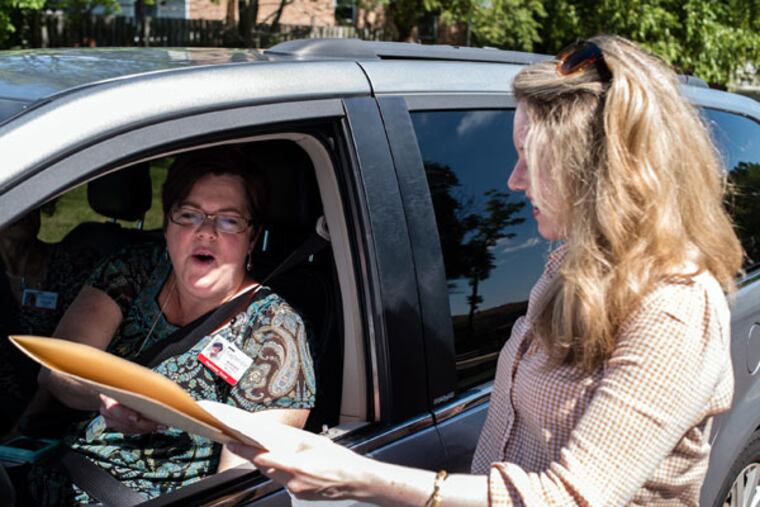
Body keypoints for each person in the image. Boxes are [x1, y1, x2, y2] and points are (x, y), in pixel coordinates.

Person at [228, 35, 744, 506]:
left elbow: (572, 499)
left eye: (529, 157)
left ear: (601, 174)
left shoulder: (673, 306)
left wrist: (360, 477)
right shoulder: (570, 264)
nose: (514, 180)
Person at [27, 146, 316, 504]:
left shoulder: (275, 329)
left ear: (252, 237)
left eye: (228, 220)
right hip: (56, 479)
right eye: (190, 214)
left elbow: (238, 486)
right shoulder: (133, 269)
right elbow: (57, 370)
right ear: (167, 225)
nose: (206, 232)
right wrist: (108, 396)